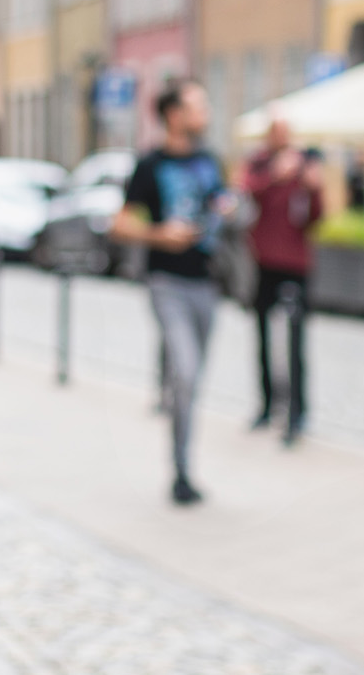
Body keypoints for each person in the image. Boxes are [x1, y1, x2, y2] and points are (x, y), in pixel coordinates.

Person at [110, 78, 231, 506]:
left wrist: (227, 208)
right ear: (174, 115)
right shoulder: (150, 165)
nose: (207, 113)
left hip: (207, 284)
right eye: (199, 105)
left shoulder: (211, 161)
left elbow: (221, 200)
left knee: (192, 380)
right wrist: (161, 234)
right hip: (167, 283)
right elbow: (119, 224)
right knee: (186, 371)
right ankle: (180, 472)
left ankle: (183, 456)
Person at [241, 115, 323, 443]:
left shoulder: (305, 166)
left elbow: (316, 216)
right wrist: (275, 176)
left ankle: (298, 411)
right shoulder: (258, 165)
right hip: (263, 260)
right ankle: (266, 404)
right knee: (262, 335)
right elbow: (246, 195)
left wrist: (313, 188)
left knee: (296, 340)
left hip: (296, 263)